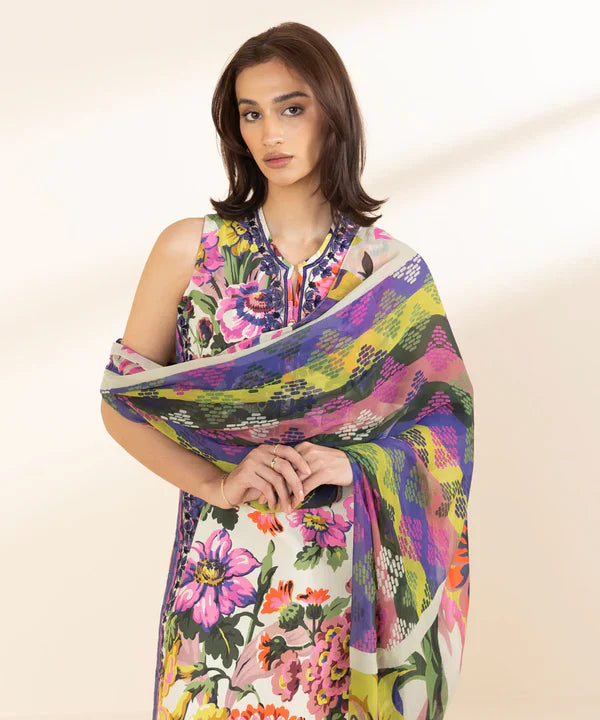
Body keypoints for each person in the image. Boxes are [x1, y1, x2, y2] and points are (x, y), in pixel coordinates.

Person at [101, 21, 473, 720]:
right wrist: (216, 482)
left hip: (347, 599)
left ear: (333, 113)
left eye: (291, 108)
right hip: (221, 586)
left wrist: (355, 465)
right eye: (251, 113)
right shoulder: (189, 251)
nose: (270, 133)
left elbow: (445, 431)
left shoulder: (388, 273)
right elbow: (123, 405)